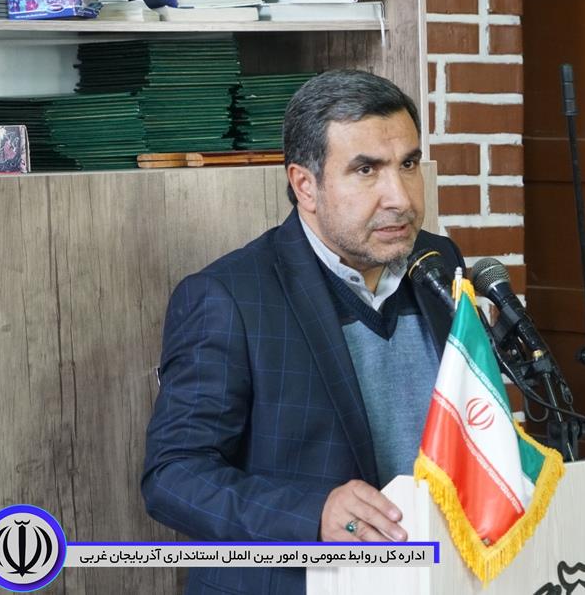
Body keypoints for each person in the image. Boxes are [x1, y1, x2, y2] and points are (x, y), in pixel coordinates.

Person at [141, 69, 465, 595]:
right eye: (366, 170)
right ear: (305, 185)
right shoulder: (229, 297)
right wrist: (314, 516)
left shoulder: (438, 261)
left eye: (408, 164)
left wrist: (569, 473)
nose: (400, 198)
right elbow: (173, 477)